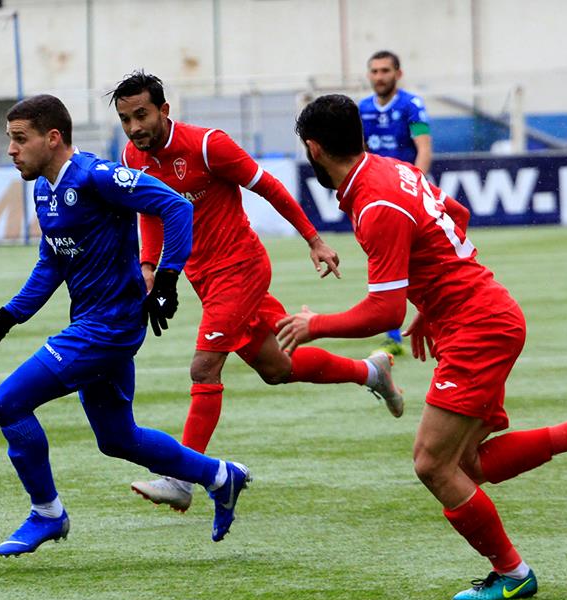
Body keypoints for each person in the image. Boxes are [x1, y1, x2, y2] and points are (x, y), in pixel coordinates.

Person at [278, 94, 567, 600]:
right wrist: (431, 301)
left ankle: (513, 574)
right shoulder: (394, 170)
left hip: (477, 328)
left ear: (313, 149)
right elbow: (455, 217)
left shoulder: (375, 203)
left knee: (432, 464)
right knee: (467, 464)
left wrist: (316, 325)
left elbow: (384, 313)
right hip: (483, 315)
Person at [0, 94, 252, 555]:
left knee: (9, 402)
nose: (11, 149)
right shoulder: (44, 189)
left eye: (20, 139)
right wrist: (5, 318)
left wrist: (167, 278)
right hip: (95, 325)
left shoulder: (97, 175)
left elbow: (176, 207)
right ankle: (220, 476)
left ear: (53, 138)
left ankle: (47, 513)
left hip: (108, 328)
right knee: (117, 438)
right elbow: (52, 262)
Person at [109, 71, 404, 513]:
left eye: (141, 115)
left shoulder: (208, 145)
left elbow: (268, 187)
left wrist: (314, 239)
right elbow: (149, 212)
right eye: (125, 119)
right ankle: (371, 372)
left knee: (204, 368)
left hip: (241, 268)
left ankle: (182, 478)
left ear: (164, 110)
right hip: (205, 278)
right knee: (277, 367)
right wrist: (148, 266)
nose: (134, 127)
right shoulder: (133, 156)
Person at [360, 50, 433, 356]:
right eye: (375, 71)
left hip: (407, 192)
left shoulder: (411, 105)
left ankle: (434, 321)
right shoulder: (362, 109)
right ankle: (393, 335)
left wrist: (416, 185)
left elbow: (424, 148)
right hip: (378, 195)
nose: (379, 77)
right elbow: (360, 152)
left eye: (385, 71)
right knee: (385, 262)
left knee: (423, 263)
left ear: (398, 74)